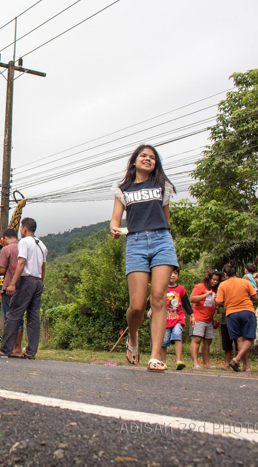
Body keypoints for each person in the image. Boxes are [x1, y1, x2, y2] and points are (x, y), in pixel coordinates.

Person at [110, 144, 178, 373]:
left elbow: (166, 219)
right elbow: (115, 220)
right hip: (136, 242)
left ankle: (156, 356)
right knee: (137, 307)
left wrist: (164, 237)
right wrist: (115, 229)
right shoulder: (123, 188)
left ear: (156, 163)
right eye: (143, 156)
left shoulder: (163, 186)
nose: (148, 159)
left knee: (158, 297)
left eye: (152, 157)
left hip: (162, 241)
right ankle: (133, 334)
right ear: (134, 161)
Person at [0, 218, 47, 359]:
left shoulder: (24, 242)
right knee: (33, 317)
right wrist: (41, 282)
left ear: (24, 229)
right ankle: (31, 352)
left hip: (26, 280)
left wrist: (12, 283)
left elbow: (21, 263)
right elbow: (43, 267)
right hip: (37, 281)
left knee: (13, 314)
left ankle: (5, 349)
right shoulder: (41, 244)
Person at [215, 262, 258, 372]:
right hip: (247, 311)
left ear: (225, 274)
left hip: (232, 313)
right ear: (236, 272)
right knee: (249, 338)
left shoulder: (223, 285)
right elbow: (255, 297)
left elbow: (219, 301)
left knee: (239, 339)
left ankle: (246, 365)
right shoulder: (245, 282)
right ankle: (238, 359)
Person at [150, 268, 188, 370]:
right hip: (165, 319)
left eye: (175, 273)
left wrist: (192, 315)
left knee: (177, 336)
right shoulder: (162, 288)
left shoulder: (181, 289)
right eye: (171, 273)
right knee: (164, 340)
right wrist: (151, 309)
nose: (173, 275)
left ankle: (179, 360)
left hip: (178, 318)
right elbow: (156, 300)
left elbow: (186, 303)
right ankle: (163, 361)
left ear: (178, 276)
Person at [0, 229, 24, 357]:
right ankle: (18, 348)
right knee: (20, 319)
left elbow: (2, 270)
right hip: (22, 287)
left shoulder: (6, 249)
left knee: (9, 317)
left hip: (8, 286)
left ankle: (7, 347)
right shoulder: (24, 247)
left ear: (5, 238)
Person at [189, 269, 220, 369]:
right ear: (209, 278)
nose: (214, 282)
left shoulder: (215, 290)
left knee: (207, 341)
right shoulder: (200, 286)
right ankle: (195, 363)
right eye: (213, 279)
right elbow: (192, 299)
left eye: (216, 280)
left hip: (209, 319)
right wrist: (204, 295)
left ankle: (206, 363)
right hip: (198, 317)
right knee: (197, 339)